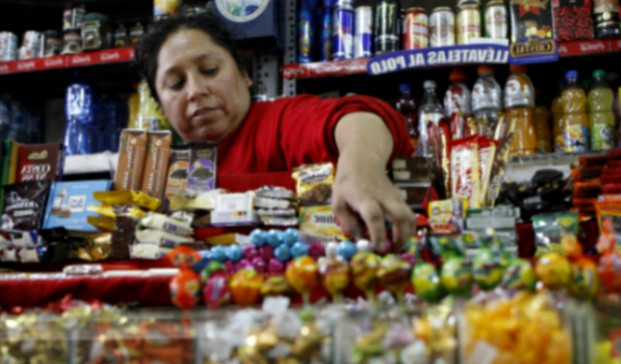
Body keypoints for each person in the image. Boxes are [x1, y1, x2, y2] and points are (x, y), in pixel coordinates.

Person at [135, 12, 415, 251]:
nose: (195, 90)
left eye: (209, 70)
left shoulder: (281, 121)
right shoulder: (154, 169)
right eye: (176, 84)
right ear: (161, 107)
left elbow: (360, 116)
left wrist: (361, 167)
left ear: (245, 74)